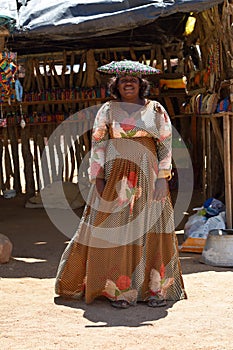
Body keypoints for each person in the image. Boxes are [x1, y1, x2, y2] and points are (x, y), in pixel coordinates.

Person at [55, 60, 187, 308]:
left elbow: (165, 145)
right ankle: (120, 291)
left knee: (151, 229)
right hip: (117, 177)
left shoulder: (155, 110)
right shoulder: (108, 109)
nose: (128, 83)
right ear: (116, 85)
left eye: (133, 80)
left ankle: (155, 291)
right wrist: (99, 178)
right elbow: (98, 144)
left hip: (149, 177)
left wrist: (163, 178)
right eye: (123, 80)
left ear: (141, 84)